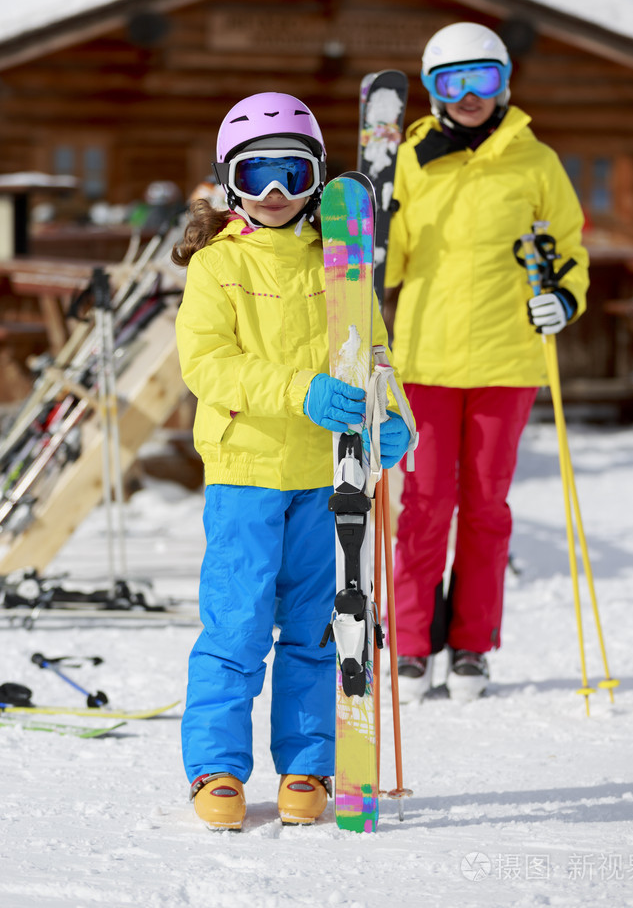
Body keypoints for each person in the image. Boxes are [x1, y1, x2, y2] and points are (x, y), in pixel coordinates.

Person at [172, 92, 412, 831]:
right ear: (229, 183)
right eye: (257, 175)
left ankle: (308, 762)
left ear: (316, 181)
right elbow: (207, 364)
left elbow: (374, 352)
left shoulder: (340, 265)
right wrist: (298, 390)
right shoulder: (219, 266)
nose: (275, 193)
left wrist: (392, 414)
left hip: (327, 477)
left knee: (314, 625)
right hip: (246, 473)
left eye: (292, 174)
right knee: (238, 624)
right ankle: (216, 766)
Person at [383, 22, 589, 703]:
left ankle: (471, 645)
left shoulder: (536, 163)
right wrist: (375, 231)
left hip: (508, 358)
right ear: (434, 89)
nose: (469, 96)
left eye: (484, 80)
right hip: (427, 358)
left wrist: (563, 295)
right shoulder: (412, 158)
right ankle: (413, 644)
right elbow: (396, 260)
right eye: (452, 82)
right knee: (424, 504)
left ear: (505, 85)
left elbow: (567, 248)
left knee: (487, 506)